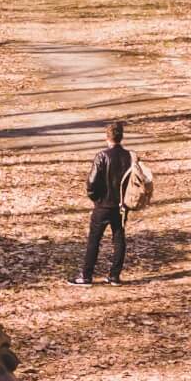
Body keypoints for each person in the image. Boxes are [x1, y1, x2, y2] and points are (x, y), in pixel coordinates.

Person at [71, 121, 131, 286]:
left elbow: (91, 183)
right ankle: (115, 275)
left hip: (103, 205)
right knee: (119, 238)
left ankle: (86, 275)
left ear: (107, 138)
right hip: (121, 205)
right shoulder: (129, 156)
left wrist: (95, 198)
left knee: (94, 240)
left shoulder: (102, 156)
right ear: (121, 137)